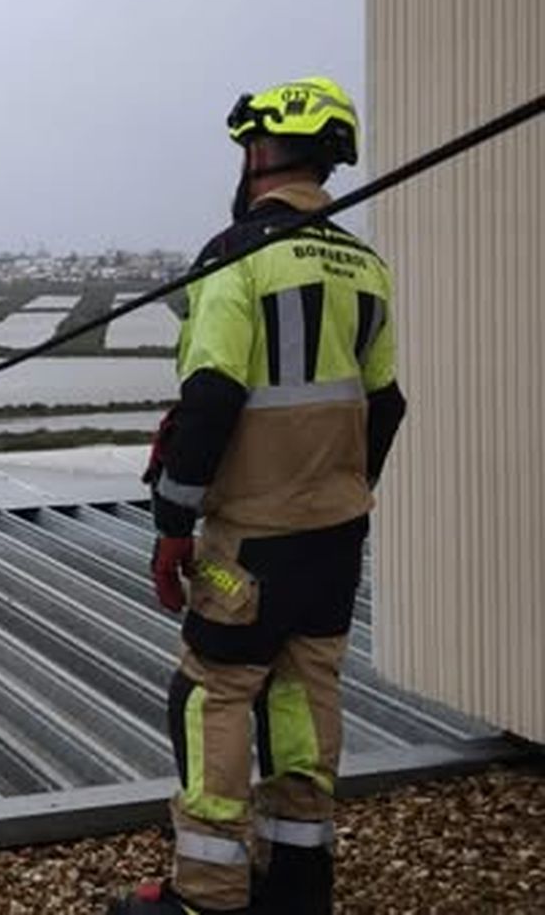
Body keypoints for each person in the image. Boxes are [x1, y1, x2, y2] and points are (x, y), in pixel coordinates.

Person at [112, 79, 407, 915]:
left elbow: (208, 399)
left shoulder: (235, 255)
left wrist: (172, 523)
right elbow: (385, 405)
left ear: (258, 153)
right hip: (336, 539)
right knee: (306, 693)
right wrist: (339, 491)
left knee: (213, 691)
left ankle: (205, 892)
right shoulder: (367, 265)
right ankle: (299, 881)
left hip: (248, 544)